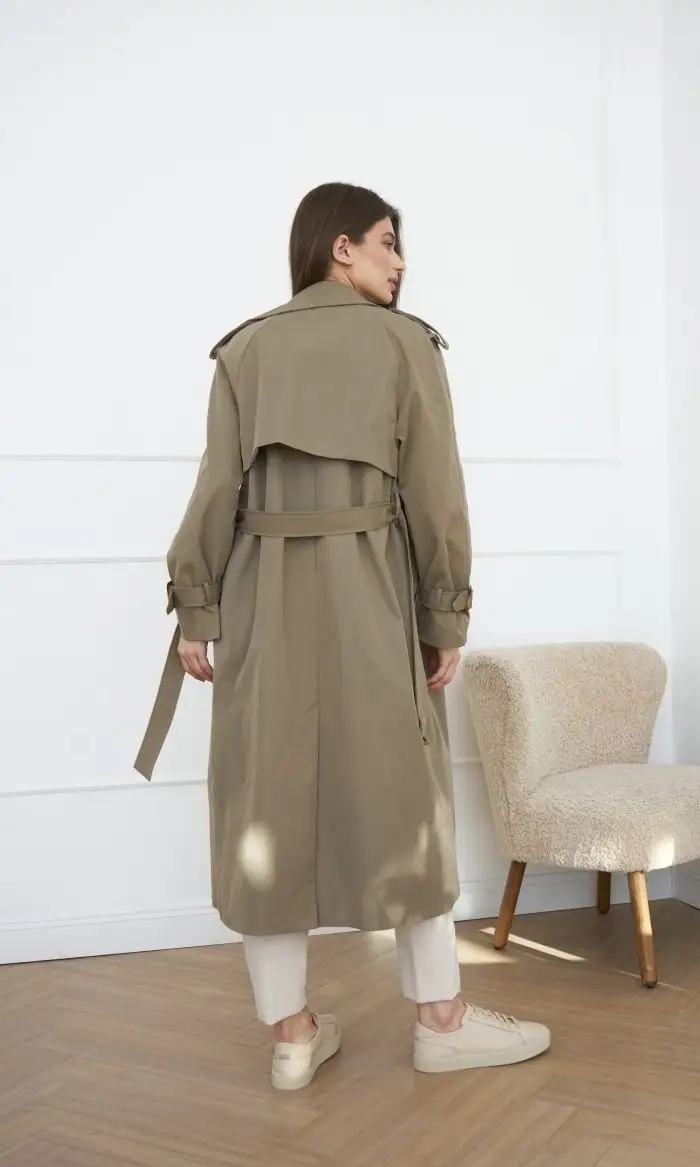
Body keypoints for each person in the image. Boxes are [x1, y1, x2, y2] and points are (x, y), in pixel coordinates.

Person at [135, 182, 550, 1089]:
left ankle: (291, 1037)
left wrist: (198, 610)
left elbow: (214, 492)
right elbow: (438, 497)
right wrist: (444, 617)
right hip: (374, 603)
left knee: (266, 810)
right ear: (341, 247)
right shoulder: (407, 345)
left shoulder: (244, 350)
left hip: (262, 604)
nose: (401, 263)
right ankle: (441, 1021)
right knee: (410, 803)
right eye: (388, 242)